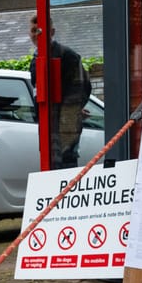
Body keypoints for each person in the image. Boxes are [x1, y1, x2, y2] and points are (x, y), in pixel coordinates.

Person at [28, 15, 92, 169]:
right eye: (33, 30)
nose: (37, 34)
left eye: (41, 30)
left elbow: (82, 87)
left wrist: (70, 112)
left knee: (65, 164)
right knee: (51, 165)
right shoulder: (36, 59)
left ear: (52, 31)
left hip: (64, 125)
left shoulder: (67, 55)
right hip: (46, 122)